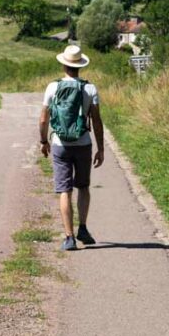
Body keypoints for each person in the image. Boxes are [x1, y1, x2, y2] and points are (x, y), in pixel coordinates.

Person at [39, 44, 104, 251]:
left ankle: (69, 238)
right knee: (83, 187)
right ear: (80, 66)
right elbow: (96, 121)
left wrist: (43, 141)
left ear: (64, 65)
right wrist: (100, 148)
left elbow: (43, 119)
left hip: (60, 145)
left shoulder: (53, 87)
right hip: (83, 144)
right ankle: (83, 228)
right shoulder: (90, 88)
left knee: (64, 190)